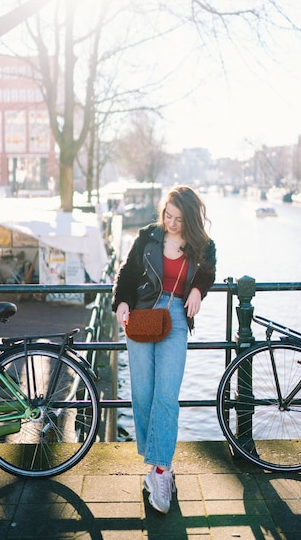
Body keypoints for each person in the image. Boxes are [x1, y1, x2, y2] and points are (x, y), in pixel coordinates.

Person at [112, 185, 216, 514]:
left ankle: (160, 470)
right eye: (167, 216)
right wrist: (122, 301)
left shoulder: (203, 245)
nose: (171, 223)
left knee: (167, 395)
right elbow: (126, 274)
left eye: (178, 218)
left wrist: (199, 289)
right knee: (143, 393)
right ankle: (156, 463)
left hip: (177, 318)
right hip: (142, 314)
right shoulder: (148, 236)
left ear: (191, 218)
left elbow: (209, 272)